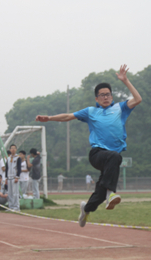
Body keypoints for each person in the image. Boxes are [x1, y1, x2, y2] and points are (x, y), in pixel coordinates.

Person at [36, 65, 142, 227]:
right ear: (96, 98)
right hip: (97, 154)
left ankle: (87, 208)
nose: (105, 97)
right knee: (115, 157)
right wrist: (49, 118)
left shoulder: (120, 108)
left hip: (111, 159)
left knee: (100, 189)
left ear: (111, 96)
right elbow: (68, 116)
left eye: (108, 94)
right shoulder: (91, 111)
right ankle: (111, 194)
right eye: (102, 95)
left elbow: (138, 99)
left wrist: (126, 81)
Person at [4, 144, 21, 211]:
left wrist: (17, 177)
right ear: (10, 150)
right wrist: (6, 178)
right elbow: (7, 168)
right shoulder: (8, 158)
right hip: (9, 177)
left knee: (15, 193)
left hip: (14, 177)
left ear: (16, 149)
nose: (13, 149)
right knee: (10, 193)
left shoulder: (18, 158)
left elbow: (19, 168)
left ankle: (16, 207)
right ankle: (10, 206)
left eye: (14, 148)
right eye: (12, 148)